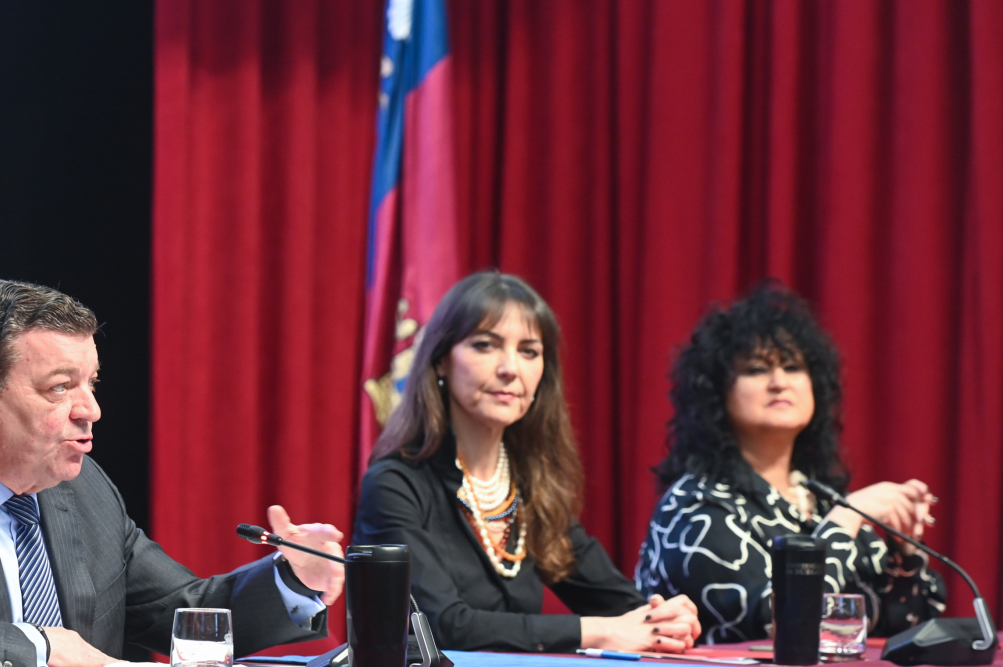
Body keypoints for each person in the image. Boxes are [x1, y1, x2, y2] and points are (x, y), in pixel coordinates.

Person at [0, 280, 344, 667]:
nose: (90, 410)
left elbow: (183, 614)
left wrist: (292, 579)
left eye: (90, 383)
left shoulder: (83, 488)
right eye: (59, 387)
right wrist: (40, 646)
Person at [353, 271, 701, 654]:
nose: (510, 369)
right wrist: (597, 632)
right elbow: (442, 626)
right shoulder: (394, 485)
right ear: (441, 361)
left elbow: (621, 606)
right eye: (485, 346)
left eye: (529, 351)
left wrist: (663, 619)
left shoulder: (528, 485)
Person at [635, 281, 946, 644]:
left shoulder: (821, 501)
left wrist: (904, 548)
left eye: (793, 367)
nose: (779, 382)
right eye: (756, 369)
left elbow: (910, 629)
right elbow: (780, 623)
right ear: (717, 393)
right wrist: (846, 519)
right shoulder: (696, 506)